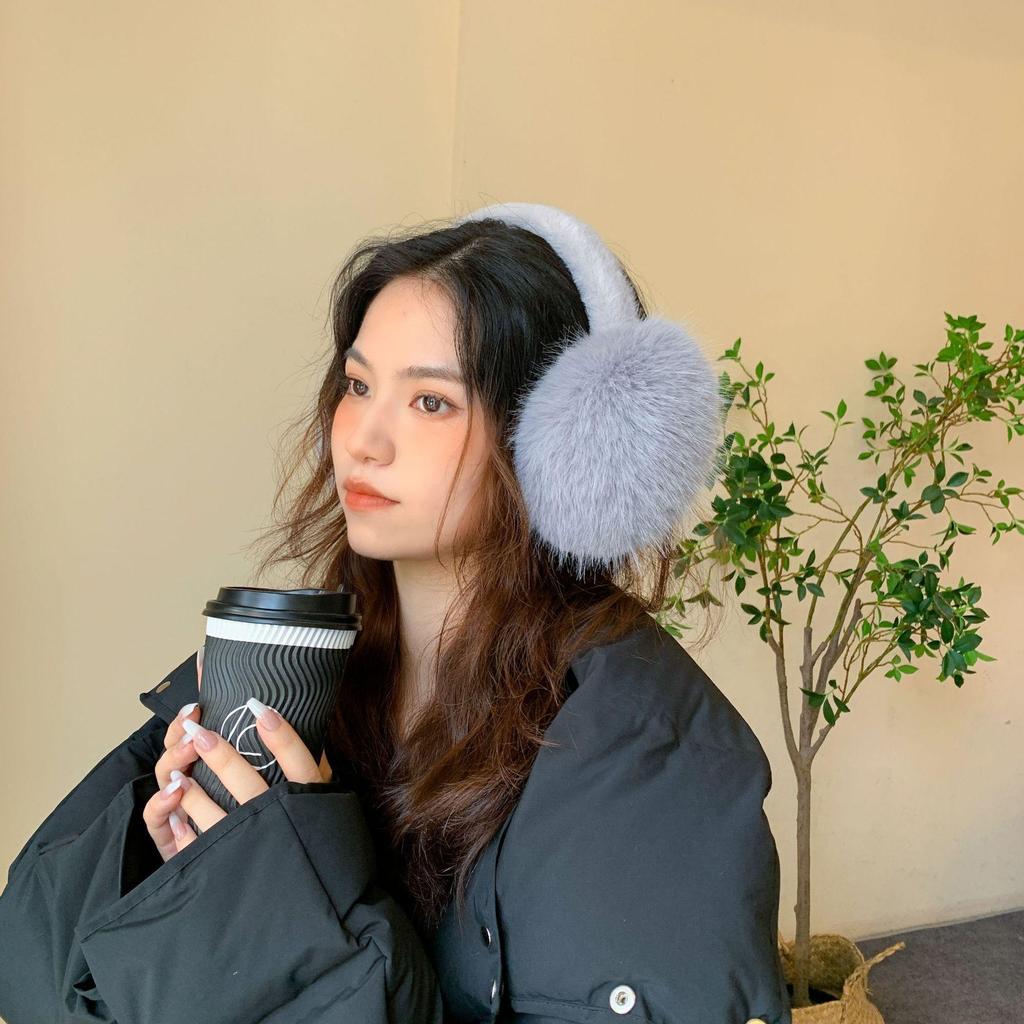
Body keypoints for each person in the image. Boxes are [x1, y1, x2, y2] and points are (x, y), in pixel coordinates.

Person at [0, 203, 793, 1023]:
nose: (362, 440)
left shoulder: (644, 749)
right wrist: (192, 891)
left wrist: (296, 901)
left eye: (431, 402)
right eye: (358, 386)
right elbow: (31, 965)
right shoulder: (303, 669)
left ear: (559, 446)